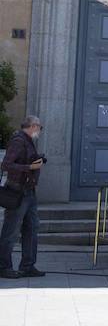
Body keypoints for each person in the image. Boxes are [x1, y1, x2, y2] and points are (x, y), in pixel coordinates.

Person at [0, 116, 45, 279]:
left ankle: (28, 265)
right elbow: (5, 164)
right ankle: (4, 266)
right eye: (40, 127)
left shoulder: (28, 140)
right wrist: (29, 167)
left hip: (29, 191)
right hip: (17, 191)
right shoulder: (18, 140)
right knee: (10, 230)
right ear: (33, 126)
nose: (40, 131)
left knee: (32, 228)